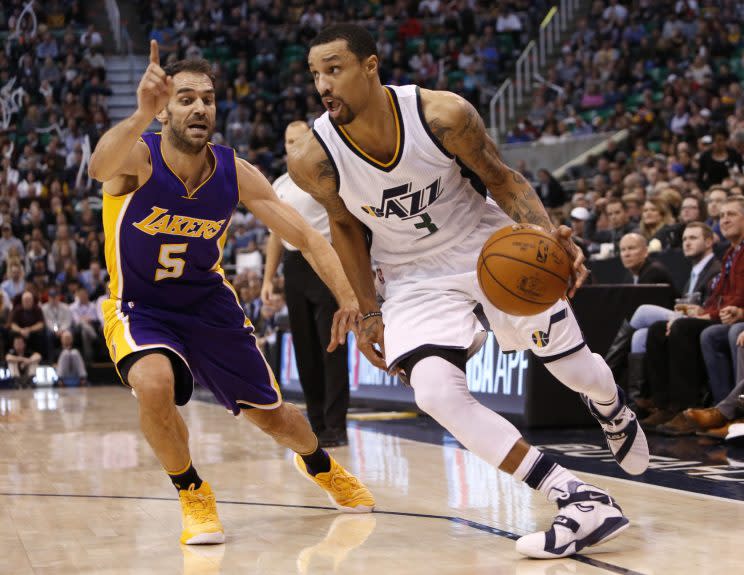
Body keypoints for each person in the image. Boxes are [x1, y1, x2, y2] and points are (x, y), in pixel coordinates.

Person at [288, 24, 648, 560]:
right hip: (410, 276)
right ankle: (578, 498)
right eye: (316, 73)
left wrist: (547, 237)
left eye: (334, 69)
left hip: (488, 245)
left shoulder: (441, 115)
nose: (323, 84)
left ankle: (611, 406)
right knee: (433, 392)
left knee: (576, 373)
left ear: (371, 65)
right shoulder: (314, 156)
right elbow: (344, 230)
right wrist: (368, 313)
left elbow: (502, 180)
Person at [87, 41, 374, 547]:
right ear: (166, 109)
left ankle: (319, 464)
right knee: (153, 384)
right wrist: (139, 113)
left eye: (209, 99)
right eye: (186, 99)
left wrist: (351, 299)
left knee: (275, 418)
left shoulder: (232, 171)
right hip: (141, 307)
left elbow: (306, 237)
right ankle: (192, 491)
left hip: (208, 306)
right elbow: (97, 166)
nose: (200, 107)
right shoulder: (139, 157)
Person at [262, 121, 351, 448]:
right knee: (305, 350)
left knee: (333, 346)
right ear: (283, 145)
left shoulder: (328, 178)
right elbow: (275, 233)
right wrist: (268, 279)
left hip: (327, 261)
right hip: (295, 265)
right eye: (289, 140)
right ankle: (316, 424)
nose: (294, 145)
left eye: (300, 140)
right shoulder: (279, 184)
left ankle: (336, 425)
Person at [643, 197, 744, 433]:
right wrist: (703, 312)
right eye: (722, 216)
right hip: (726, 316)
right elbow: (719, 297)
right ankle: (667, 405)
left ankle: (698, 407)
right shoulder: (730, 254)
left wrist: (711, 315)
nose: (725, 220)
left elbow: (736, 299)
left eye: (732, 214)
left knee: (705, 331)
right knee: (659, 328)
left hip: (733, 318)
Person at [604, 223, 721, 401]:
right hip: (684, 318)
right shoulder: (695, 270)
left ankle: (607, 370)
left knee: (642, 312)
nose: (687, 243)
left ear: (709, 241)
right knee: (640, 335)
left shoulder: (715, 269)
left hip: (702, 319)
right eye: (684, 239)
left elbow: (712, 304)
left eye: (693, 238)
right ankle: (641, 400)